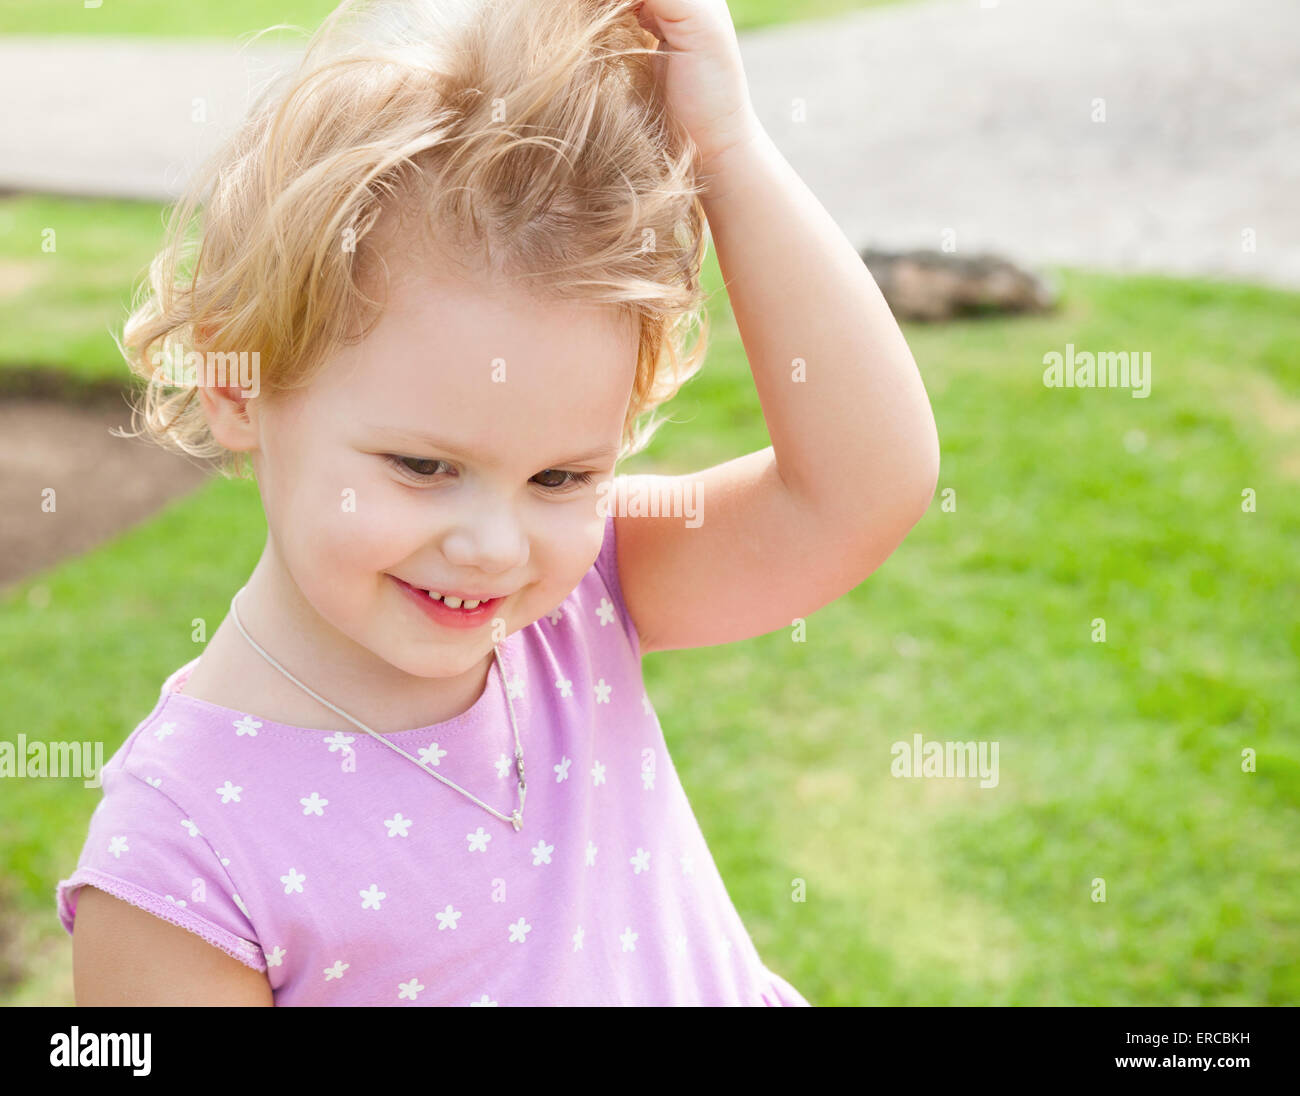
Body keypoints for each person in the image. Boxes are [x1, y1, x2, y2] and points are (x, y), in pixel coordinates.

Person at [56, 0, 939, 1006]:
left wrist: (726, 151)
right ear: (237, 381)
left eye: (561, 477)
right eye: (423, 467)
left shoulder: (584, 602)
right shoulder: (181, 857)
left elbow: (861, 488)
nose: (492, 546)